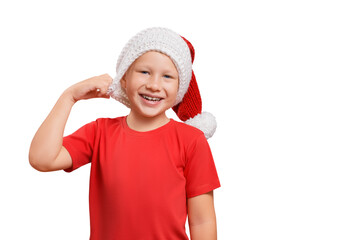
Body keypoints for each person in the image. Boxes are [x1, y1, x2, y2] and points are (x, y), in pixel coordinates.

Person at [29, 27, 220, 240]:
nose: (154, 85)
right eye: (144, 72)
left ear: (180, 89)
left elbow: (202, 221)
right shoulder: (99, 132)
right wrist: (69, 97)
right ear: (124, 79)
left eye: (167, 76)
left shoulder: (191, 141)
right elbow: (42, 159)